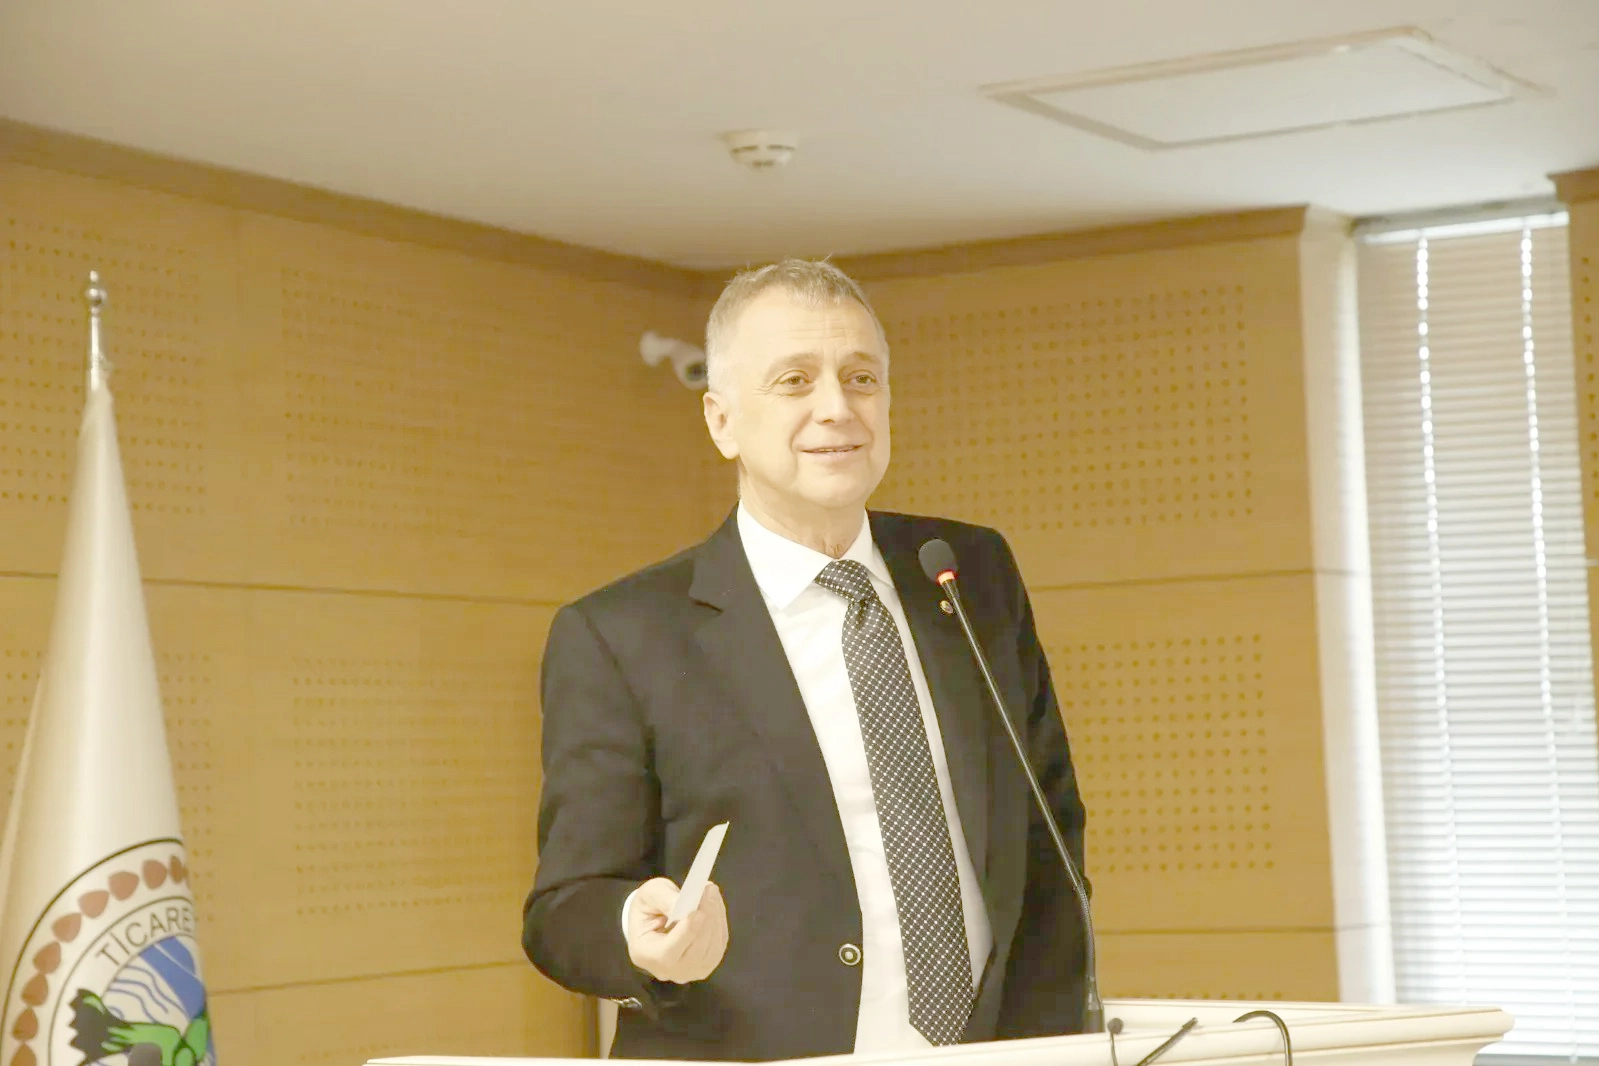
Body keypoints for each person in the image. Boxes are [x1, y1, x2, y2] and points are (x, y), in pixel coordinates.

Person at [522, 259, 1089, 1062]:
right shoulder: (621, 635)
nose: (837, 407)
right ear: (721, 420)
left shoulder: (968, 571)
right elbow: (564, 906)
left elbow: (1048, 837)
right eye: (794, 380)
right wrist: (634, 932)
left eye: (861, 377)